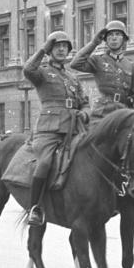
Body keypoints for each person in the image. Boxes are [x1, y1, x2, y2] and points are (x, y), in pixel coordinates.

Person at [24, 30, 89, 226]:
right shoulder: (42, 72)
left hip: (74, 127)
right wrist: (42, 49)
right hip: (50, 129)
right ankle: (35, 208)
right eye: (57, 46)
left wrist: (85, 112)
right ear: (50, 50)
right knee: (44, 163)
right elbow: (28, 69)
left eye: (65, 47)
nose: (61, 50)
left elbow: (84, 102)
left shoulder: (73, 78)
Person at [70, 20, 134, 125]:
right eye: (110, 35)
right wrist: (94, 43)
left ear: (124, 39)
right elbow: (75, 63)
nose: (114, 38)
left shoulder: (130, 65)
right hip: (103, 112)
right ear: (105, 40)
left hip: (124, 111)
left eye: (117, 34)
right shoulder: (98, 60)